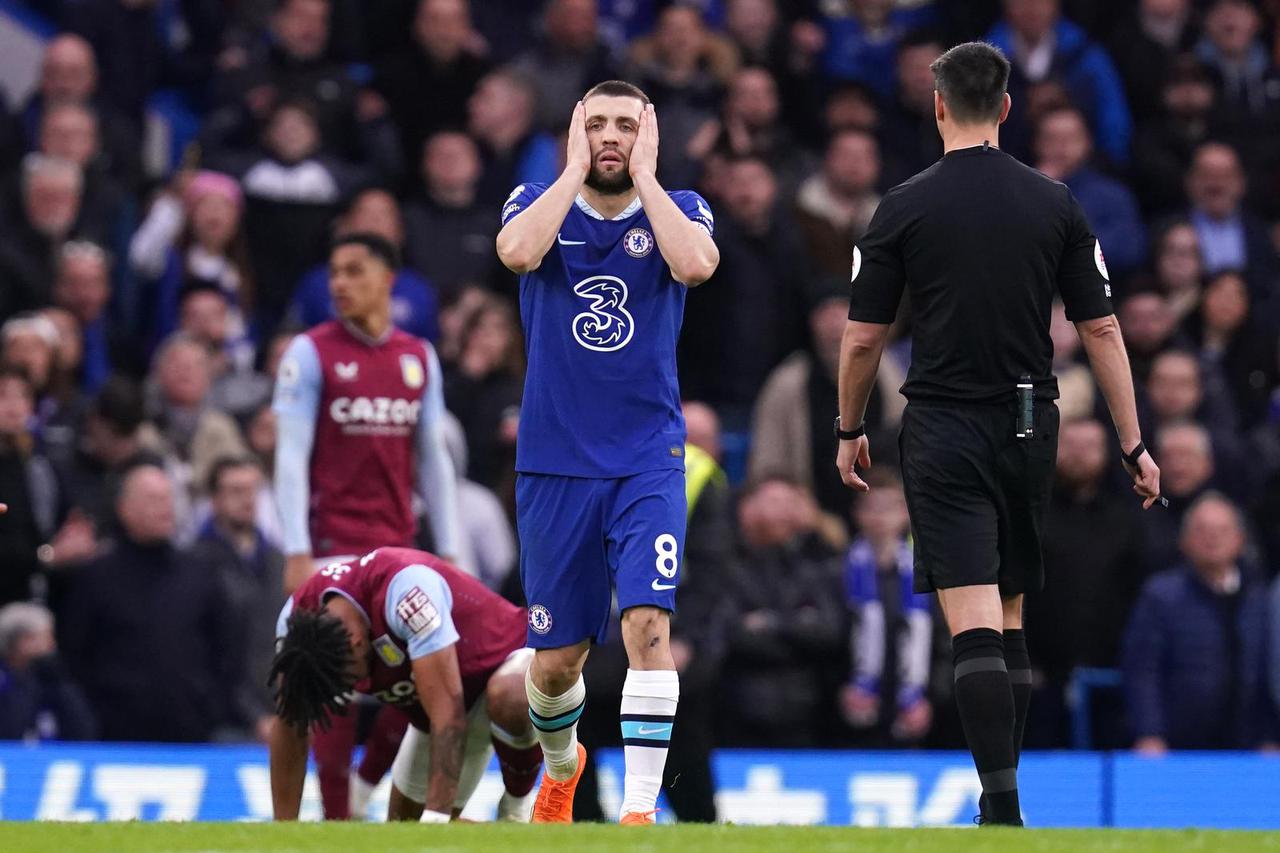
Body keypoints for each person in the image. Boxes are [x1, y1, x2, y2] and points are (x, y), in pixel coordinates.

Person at [836, 42, 1160, 826]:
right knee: (1006, 610)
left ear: (938, 104)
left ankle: (1001, 808)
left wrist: (848, 426)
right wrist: (1133, 444)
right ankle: (1001, 803)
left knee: (974, 617)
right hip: (1029, 419)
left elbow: (860, 339)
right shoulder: (1057, 203)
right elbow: (1104, 329)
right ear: (1008, 109)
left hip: (944, 421)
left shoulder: (904, 204)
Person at [495, 80, 718, 824]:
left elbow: (695, 267)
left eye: (628, 124)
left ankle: (639, 812)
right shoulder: (537, 200)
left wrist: (649, 177)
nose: (612, 137)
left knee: (648, 625)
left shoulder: (678, 208)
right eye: (598, 125)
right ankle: (564, 765)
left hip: (646, 457)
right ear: (574, 132)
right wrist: (568, 173)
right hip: (555, 460)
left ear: (649, 135)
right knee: (557, 664)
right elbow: (517, 252)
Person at [272, 232, 461, 819]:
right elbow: (290, 453)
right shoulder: (310, 352)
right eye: (334, 272)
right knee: (330, 682)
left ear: (387, 280)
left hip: (398, 549)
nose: (339, 284)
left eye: (354, 271)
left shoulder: (417, 357)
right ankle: (334, 819)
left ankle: (361, 789)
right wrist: (297, 548)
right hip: (332, 545)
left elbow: (432, 457)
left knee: (416, 685)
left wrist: (451, 549)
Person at [268, 546, 542, 822]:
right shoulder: (294, 625)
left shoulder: (407, 593)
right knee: (405, 835)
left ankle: (517, 804)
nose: (354, 688)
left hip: (507, 663)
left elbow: (448, 715)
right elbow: (290, 723)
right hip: (439, 708)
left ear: (357, 643)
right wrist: (283, 831)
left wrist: (436, 819)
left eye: (348, 680)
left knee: (510, 696)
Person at [59, 462, 238, 742]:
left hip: (192, 737)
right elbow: (75, 654)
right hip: (114, 738)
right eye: (153, 500)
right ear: (124, 509)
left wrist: (212, 709)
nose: (165, 508)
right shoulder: (96, 576)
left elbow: (226, 651)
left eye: (168, 498)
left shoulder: (200, 574)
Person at [1122, 492, 1277, 752]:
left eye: (1222, 530)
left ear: (1240, 540)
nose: (1212, 538)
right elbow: (1142, 670)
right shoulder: (1160, 596)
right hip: (1175, 745)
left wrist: (1271, 736)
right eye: (1201, 530)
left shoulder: (1259, 600)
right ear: (1183, 541)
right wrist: (1150, 732)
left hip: (1248, 746)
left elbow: (1268, 674)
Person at [188, 457, 284, 742]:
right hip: (223, 723)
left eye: (252, 490)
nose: (247, 500)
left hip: (281, 716)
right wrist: (253, 716)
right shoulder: (194, 564)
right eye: (236, 491)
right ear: (215, 500)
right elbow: (207, 655)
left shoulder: (278, 561)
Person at [0, 601, 96, 741]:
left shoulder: (50, 680)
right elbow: (12, 729)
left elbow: (84, 730)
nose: (52, 645)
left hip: (51, 756)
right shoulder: (5, 680)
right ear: (23, 641)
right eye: (46, 637)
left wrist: (59, 683)